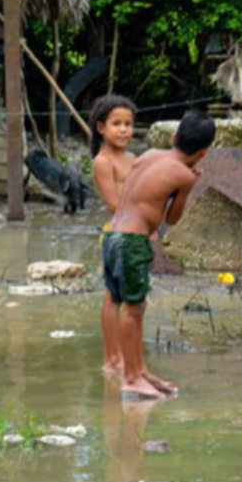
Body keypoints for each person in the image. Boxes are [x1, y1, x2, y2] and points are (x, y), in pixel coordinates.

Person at [104, 109, 215, 398]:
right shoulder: (184, 175)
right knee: (134, 308)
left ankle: (140, 371)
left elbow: (136, 190)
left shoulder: (149, 154)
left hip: (112, 235)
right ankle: (131, 377)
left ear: (174, 136)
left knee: (127, 304)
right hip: (132, 240)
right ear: (202, 154)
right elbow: (173, 218)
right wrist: (189, 185)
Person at [90, 95, 138, 374]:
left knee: (129, 298)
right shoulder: (102, 162)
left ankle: (122, 355)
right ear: (101, 128)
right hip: (119, 232)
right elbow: (112, 204)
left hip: (134, 230)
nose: (123, 130)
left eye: (128, 124)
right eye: (116, 124)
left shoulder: (132, 158)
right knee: (114, 297)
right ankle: (111, 358)